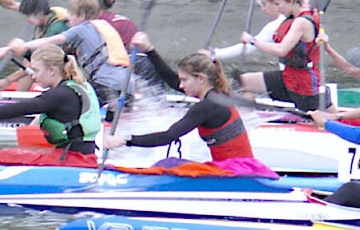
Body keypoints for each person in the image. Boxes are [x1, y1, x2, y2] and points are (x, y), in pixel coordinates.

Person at [104, 34, 257, 162]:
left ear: (201, 79)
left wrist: (125, 140)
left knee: (168, 166)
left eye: (185, 80)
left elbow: (168, 136)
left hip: (235, 173)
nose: (181, 86)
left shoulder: (206, 106)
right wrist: (150, 50)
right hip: (238, 168)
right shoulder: (217, 93)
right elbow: (172, 81)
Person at [0, 44, 102, 156]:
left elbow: (18, 109)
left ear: (52, 70)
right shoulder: (78, 85)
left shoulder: (61, 94)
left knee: (7, 156)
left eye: (37, 70)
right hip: (84, 154)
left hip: (74, 160)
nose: (33, 76)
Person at [1, 0, 131, 114]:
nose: (68, 19)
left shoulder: (81, 29)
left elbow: (52, 41)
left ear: (81, 16)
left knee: (73, 109)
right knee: (117, 119)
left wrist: (20, 46)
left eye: (71, 15)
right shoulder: (104, 26)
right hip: (127, 83)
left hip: (106, 83)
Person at [239, 0, 336, 112]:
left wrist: (252, 40)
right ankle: (254, 114)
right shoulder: (302, 10)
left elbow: (281, 50)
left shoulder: (301, 22)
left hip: (305, 86)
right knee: (240, 82)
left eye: (278, 4)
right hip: (288, 78)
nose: (277, 9)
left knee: (329, 118)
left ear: (291, 1)